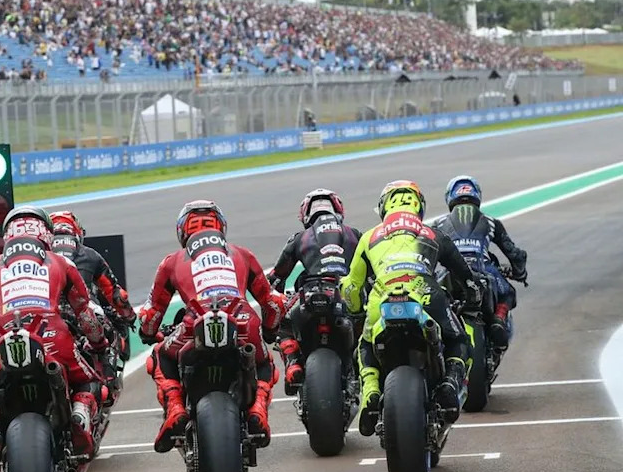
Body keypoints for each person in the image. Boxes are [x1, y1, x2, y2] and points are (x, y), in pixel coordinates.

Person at [0, 206, 109, 472]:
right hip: (53, 339)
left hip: (3, 341)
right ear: (46, 233)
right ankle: (80, 416)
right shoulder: (62, 263)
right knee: (91, 382)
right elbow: (85, 314)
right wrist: (100, 343)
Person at [138, 200, 286, 451]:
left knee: (158, 356)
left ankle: (175, 408)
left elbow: (153, 313)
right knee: (265, 363)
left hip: (193, 322)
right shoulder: (243, 254)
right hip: (242, 320)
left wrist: (148, 333)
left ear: (182, 231)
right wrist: (270, 330)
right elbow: (272, 303)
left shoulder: (172, 261)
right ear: (222, 227)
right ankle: (258, 408)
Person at [340, 181, 482, 437]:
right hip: (425, 294)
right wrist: (473, 296)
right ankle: (450, 382)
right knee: (459, 338)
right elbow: (467, 277)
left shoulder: (369, 237)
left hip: (382, 298)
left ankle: (371, 391)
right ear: (419, 207)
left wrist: (356, 310)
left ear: (384, 207)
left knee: (364, 343)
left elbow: (351, 286)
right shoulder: (433, 234)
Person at [267, 189, 363, 395]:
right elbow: (371, 270)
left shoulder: (299, 238)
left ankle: (293, 364)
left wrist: (279, 299)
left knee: (284, 327)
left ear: (306, 214)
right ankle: (361, 369)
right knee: (367, 328)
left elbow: (277, 276)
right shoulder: (355, 234)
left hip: (310, 296)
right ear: (337, 209)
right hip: (346, 299)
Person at [433, 175, 528, 349]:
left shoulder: (438, 224)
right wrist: (520, 272)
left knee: (431, 298)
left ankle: (436, 332)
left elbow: (427, 251)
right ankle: (499, 318)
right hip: (484, 269)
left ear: (449, 197)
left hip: (449, 272)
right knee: (508, 293)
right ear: (477, 196)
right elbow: (514, 253)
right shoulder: (491, 222)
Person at [48, 210, 137, 325]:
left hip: (46, 313)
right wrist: (129, 316)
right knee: (112, 338)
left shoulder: (37, 255)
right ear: (77, 232)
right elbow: (117, 295)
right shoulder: (90, 254)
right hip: (86, 314)